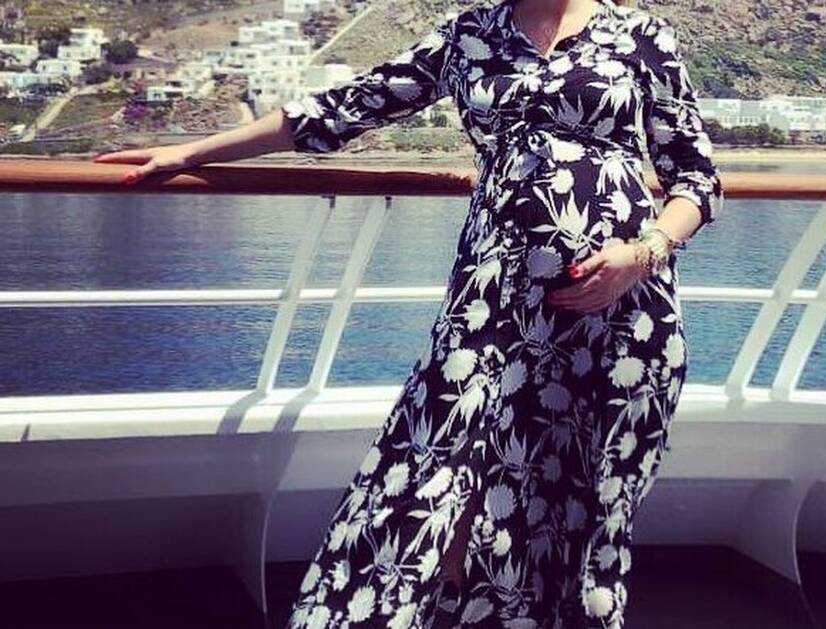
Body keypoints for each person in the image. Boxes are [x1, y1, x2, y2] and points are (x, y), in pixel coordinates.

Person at [95, 0, 724, 625]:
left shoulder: (641, 36)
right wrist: (190, 153)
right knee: (429, 467)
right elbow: (342, 108)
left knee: (589, 493)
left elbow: (697, 181)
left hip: (621, 312)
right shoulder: (471, 34)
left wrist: (641, 256)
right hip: (491, 305)